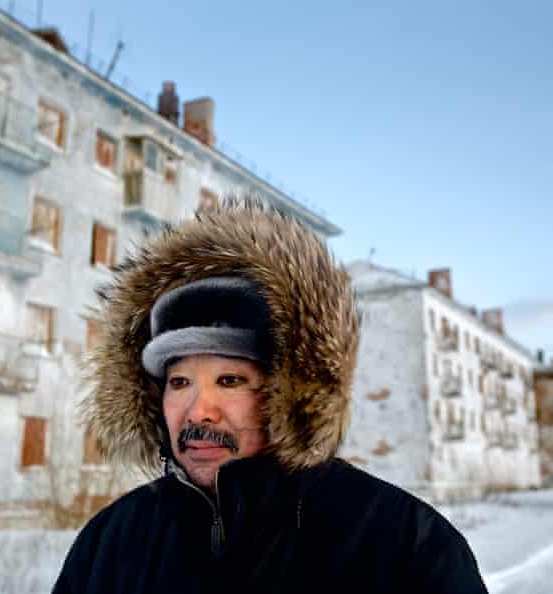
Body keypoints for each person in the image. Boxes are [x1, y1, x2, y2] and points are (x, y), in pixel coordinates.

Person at [52, 199, 488, 593]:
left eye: (230, 380)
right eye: (179, 382)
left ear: (293, 390)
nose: (198, 411)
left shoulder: (403, 544)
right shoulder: (110, 542)